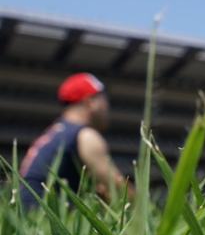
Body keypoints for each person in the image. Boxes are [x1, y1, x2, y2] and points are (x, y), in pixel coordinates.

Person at [18, 72, 133, 208]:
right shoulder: (84, 134)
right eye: (104, 99)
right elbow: (118, 188)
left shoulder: (55, 133)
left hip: (26, 215)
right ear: (89, 103)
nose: (107, 107)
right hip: (42, 218)